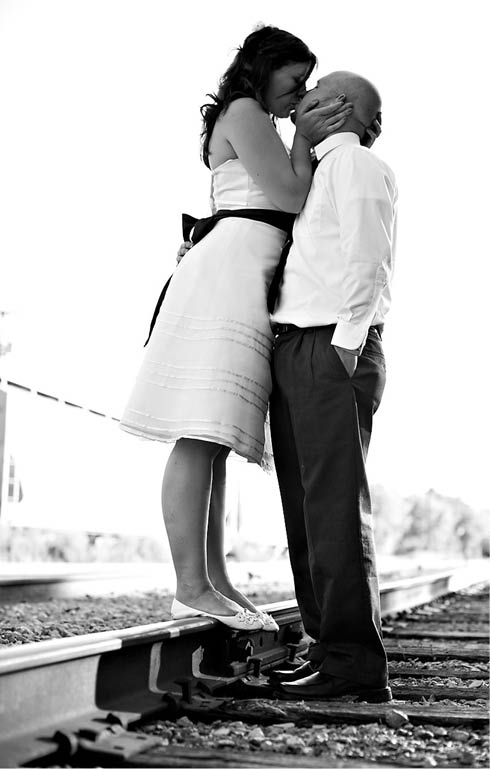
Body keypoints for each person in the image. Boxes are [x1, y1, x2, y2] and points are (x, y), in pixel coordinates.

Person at [119, 26, 353, 631]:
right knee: (199, 434)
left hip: (243, 279)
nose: (300, 92)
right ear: (266, 67)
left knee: (215, 437)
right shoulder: (246, 110)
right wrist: (304, 138)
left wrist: (297, 136)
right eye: (296, 79)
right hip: (226, 279)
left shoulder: (258, 118)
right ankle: (190, 586)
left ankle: (214, 580)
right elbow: (291, 196)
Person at [268, 71, 398, 701]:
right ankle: (326, 647)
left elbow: (368, 255)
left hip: (330, 345)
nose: (305, 94)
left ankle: (353, 662)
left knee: (333, 507)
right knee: (304, 507)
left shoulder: (354, 165)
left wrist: (344, 346)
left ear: (341, 106)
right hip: (299, 344)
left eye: (316, 86)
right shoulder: (318, 170)